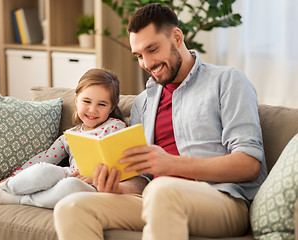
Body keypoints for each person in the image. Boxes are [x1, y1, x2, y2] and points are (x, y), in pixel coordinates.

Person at [53, 3, 267, 239]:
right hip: (154, 197)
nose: (146, 63)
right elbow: (143, 179)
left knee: (161, 189)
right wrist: (118, 188)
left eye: (152, 49)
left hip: (222, 201)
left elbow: (249, 164)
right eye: (139, 56)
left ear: (176, 37)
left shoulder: (227, 81)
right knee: (71, 207)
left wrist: (170, 165)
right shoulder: (144, 102)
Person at [0, 68, 127, 209]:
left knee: (71, 186)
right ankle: (2, 188)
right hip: (69, 174)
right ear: (76, 100)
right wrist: (3, 180)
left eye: (102, 104)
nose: (92, 109)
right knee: (44, 168)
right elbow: (45, 157)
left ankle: (15, 199)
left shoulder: (116, 126)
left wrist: (98, 178)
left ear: (112, 107)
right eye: (87, 101)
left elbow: (124, 164)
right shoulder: (70, 135)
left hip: (95, 185)